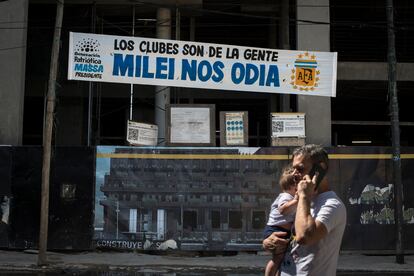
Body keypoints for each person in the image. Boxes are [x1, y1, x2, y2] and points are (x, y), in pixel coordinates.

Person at [263, 144, 347, 276]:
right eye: (293, 169)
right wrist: (269, 242)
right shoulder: (300, 200)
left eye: (300, 169)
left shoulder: (332, 205)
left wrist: (303, 195)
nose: (295, 174)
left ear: (320, 168)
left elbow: (305, 236)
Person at [263, 166, 299, 276]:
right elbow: (283, 209)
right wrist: (296, 201)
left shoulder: (290, 197)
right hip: (275, 230)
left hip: (282, 231)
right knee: (277, 258)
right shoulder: (286, 196)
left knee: (281, 259)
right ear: (292, 186)